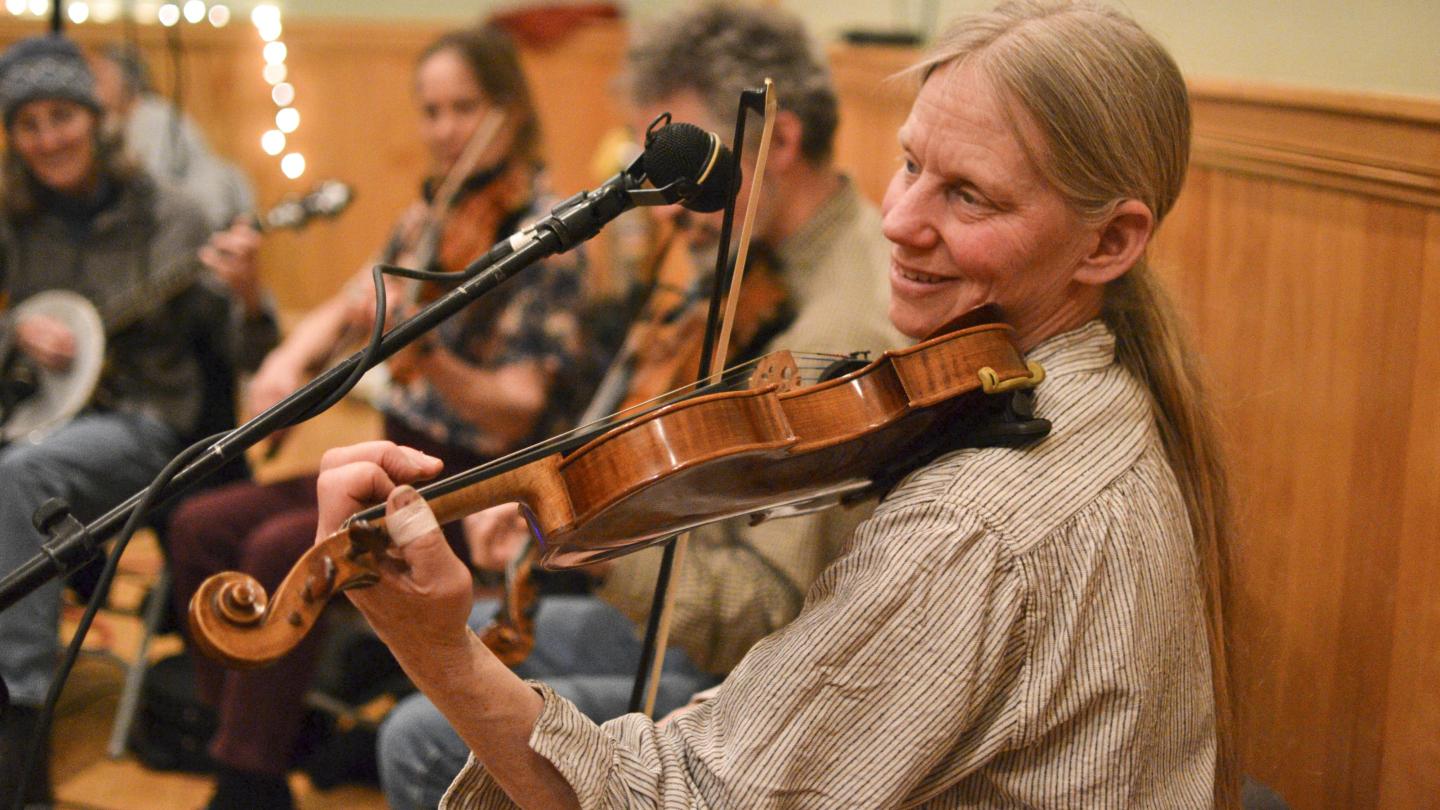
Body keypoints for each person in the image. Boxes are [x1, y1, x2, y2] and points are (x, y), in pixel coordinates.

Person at [316, 0, 1242, 807]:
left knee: (430, 732)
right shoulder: (1096, 390)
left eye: (968, 196)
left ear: (1109, 243)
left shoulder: (978, 523)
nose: (899, 221)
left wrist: (437, 648)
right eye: (911, 163)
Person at [375, 7, 908, 807]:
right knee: (442, 641)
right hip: (690, 619)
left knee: (423, 739)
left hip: (759, 684)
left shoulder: (832, 329)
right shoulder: (742, 254)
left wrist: (600, 537)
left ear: (782, 144)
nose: (666, 202)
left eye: (688, 169)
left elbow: (767, 609)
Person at [163, 26, 592, 810]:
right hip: (391, 457)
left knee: (282, 543)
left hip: (472, 484)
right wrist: (289, 357)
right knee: (198, 523)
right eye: (431, 111)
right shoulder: (427, 218)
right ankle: (260, 734)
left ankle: (248, 778)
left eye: (465, 107)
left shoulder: (553, 229)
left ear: (511, 111)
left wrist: (422, 353)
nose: (445, 130)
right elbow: (344, 304)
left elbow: (519, 406)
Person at [0, 35, 277, 808]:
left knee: (19, 479)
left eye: (63, 116)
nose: (48, 138)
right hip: (40, 417)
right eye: (28, 124)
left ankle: (19, 727)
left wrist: (250, 295)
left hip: (148, 427)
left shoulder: (172, 215)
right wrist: (15, 331)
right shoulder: (15, 223)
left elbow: (247, 351)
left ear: (95, 119)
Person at [90, 43, 256, 231]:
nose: (94, 86)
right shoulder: (123, 120)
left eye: (102, 78)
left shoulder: (152, 117)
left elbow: (152, 179)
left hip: (197, 215)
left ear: (126, 80)